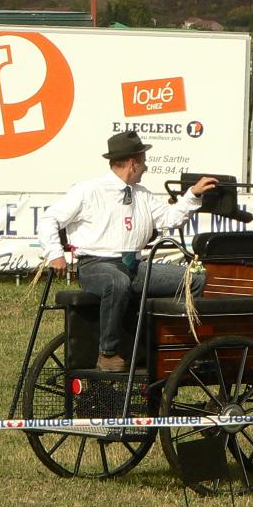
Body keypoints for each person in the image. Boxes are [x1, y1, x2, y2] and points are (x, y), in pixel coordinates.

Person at [37, 130, 218, 371]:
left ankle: (181, 346)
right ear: (133, 164)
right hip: (95, 265)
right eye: (143, 162)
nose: (146, 167)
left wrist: (192, 195)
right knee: (117, 282)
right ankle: (107, 353)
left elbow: (169, 219)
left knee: (193, 281)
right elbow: (50, 218)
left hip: (134, 266)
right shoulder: (89, 190)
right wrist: (54, 253)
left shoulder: (142, 195)